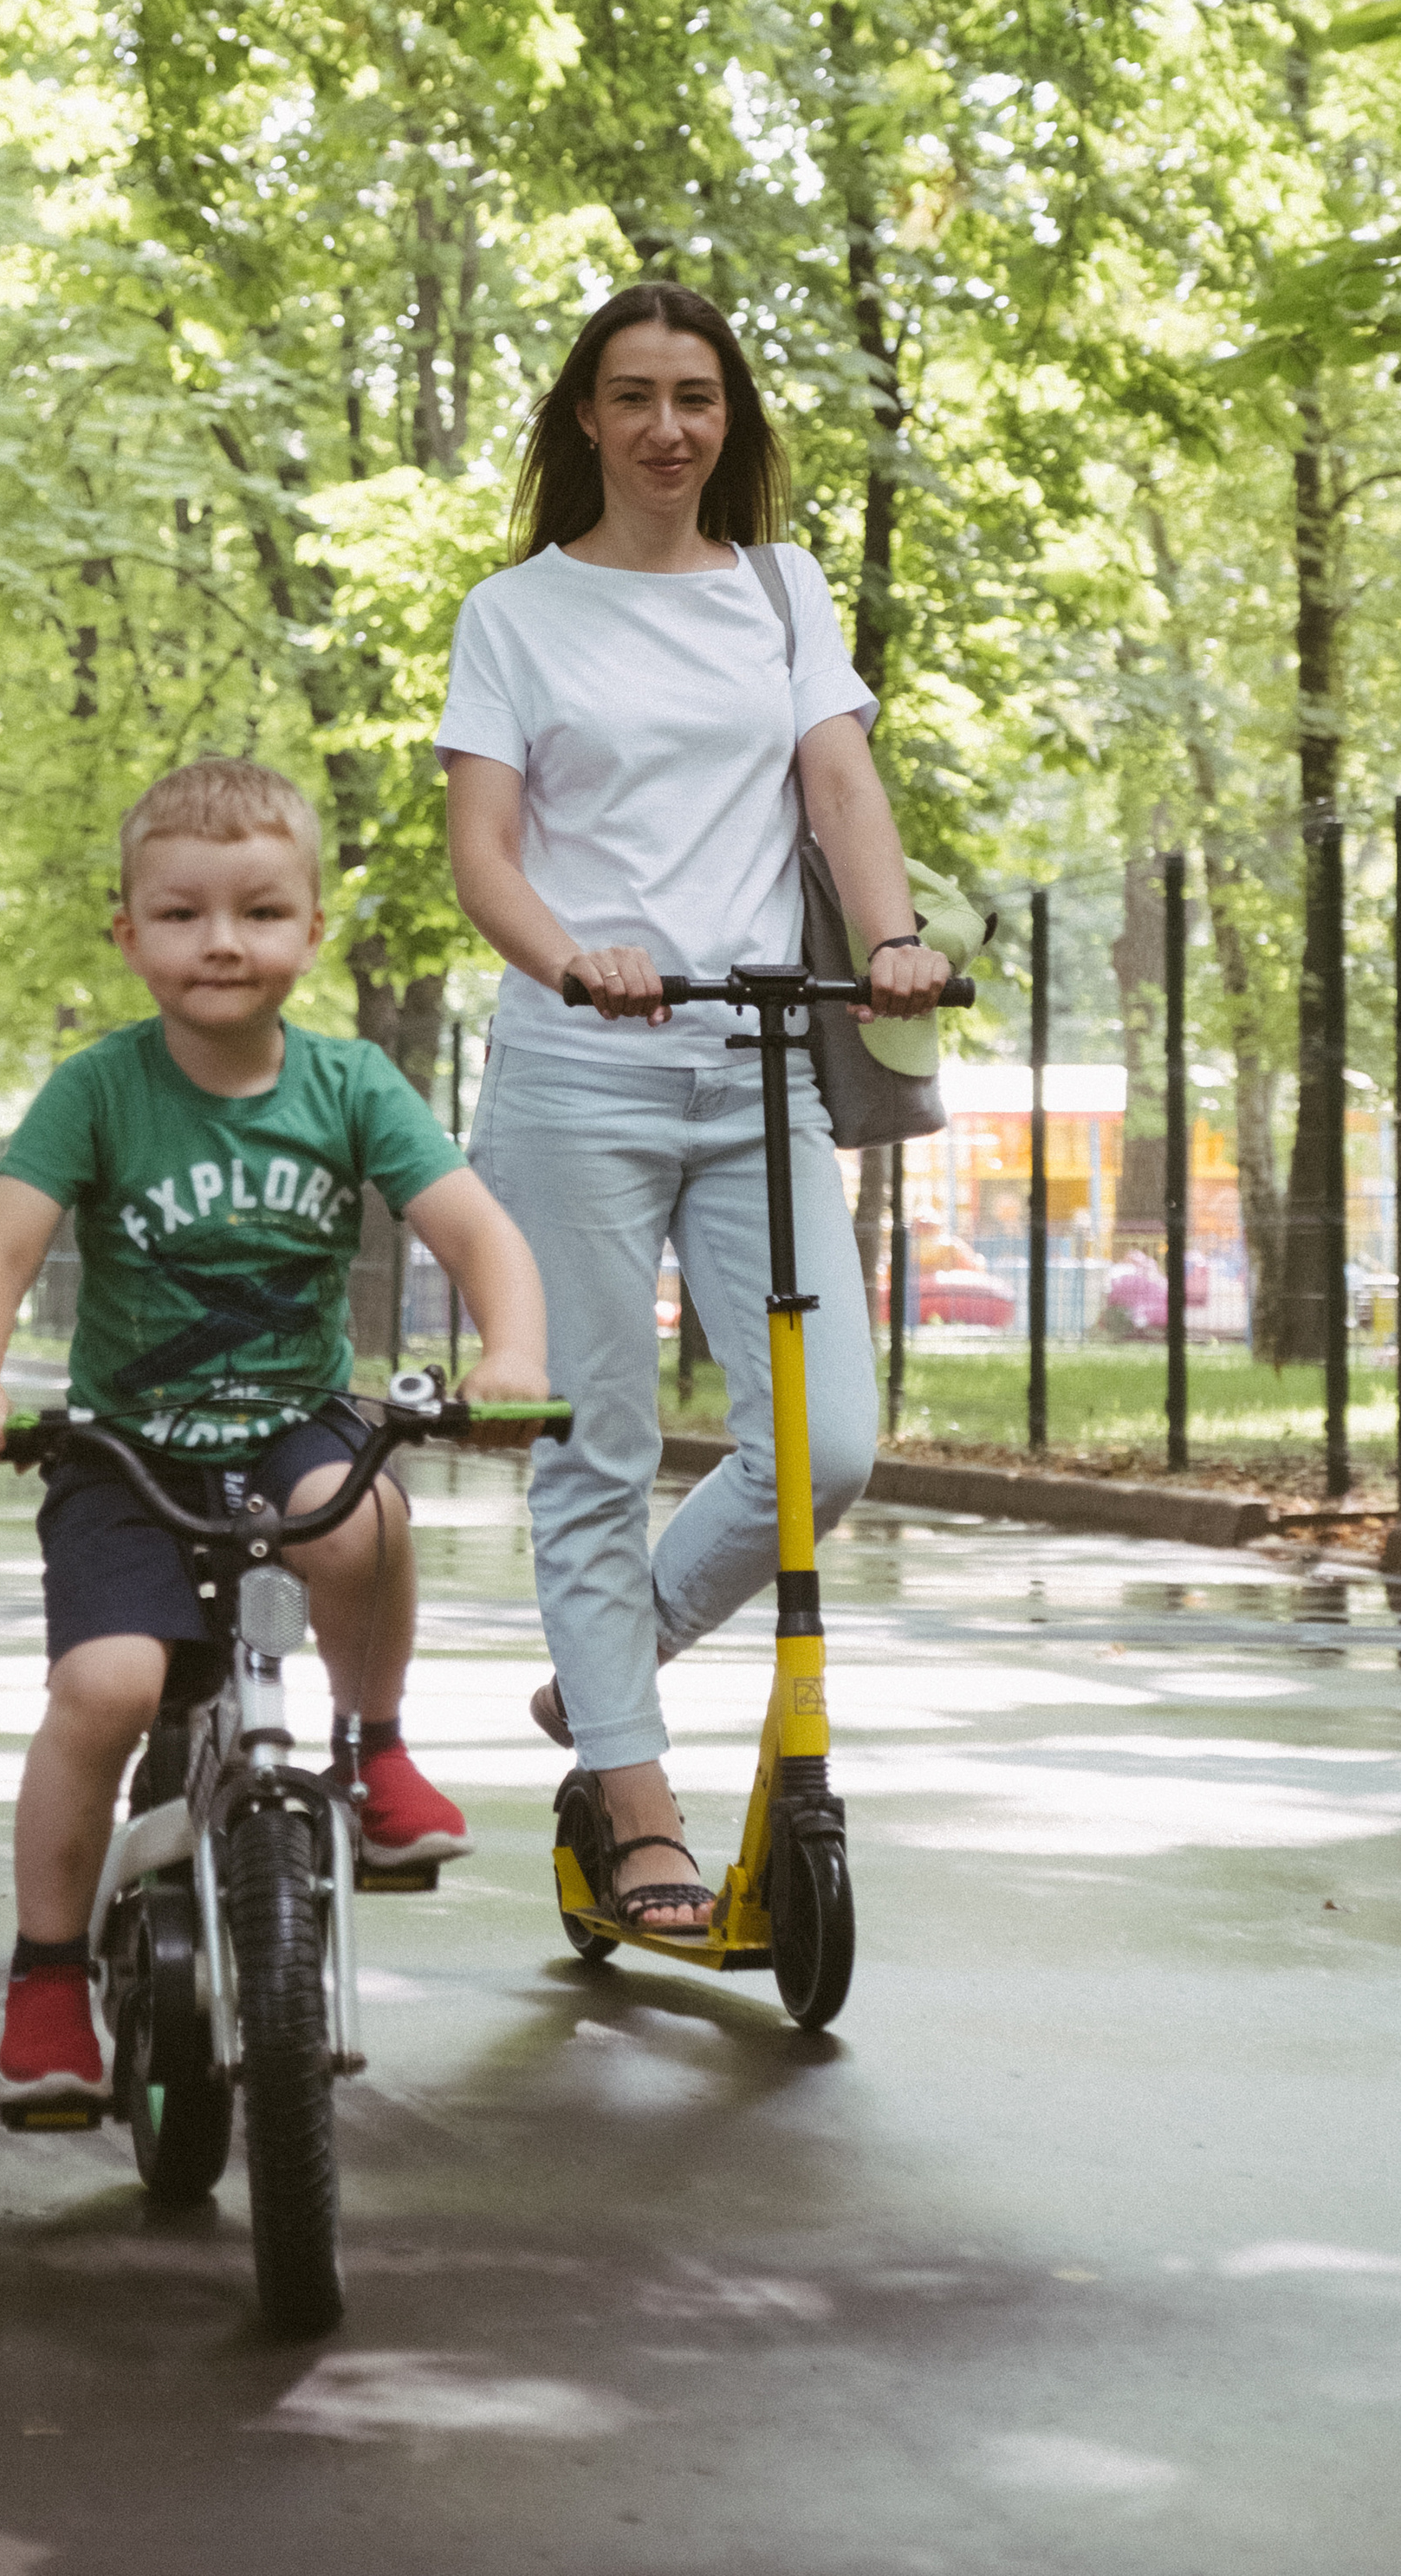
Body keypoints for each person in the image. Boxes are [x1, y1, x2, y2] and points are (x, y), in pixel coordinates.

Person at [438, 282, 950, 1939]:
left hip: (758, 1062)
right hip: (578, 1074)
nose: (669, 428)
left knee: (827, 1446)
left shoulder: (780, 589)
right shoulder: (515, 613)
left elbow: (840, 784)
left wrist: (891, 940)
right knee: (594, 1447)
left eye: (698, 398)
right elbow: (482, 855)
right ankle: (633, 1798)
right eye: (635, 396)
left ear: (731, 422)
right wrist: (571, 958)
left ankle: (608, 1675)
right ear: (585, 419)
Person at [0, 756, 548, 2119]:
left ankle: (372, 1746)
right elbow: (0, 1251)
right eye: (182, 914)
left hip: (288, 1425)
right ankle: (46, 1980)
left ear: (312, 931)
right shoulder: (99, 1090)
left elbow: (475, 1232)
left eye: (260, 912)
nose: (222, 941)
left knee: (366, 1519)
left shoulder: (351, 1084)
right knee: (108, 1689)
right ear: (129, 934)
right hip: (128, 1450)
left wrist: (511, 1355)